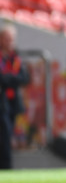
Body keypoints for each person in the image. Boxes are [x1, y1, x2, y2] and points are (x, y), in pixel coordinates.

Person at [0, 23, 30, 169]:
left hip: (12, 103)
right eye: (6, 39)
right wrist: (12, 78)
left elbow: (24, 78)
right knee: (4, 136)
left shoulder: (16, 58)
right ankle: (6, 167)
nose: (9, 42)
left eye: (11, 39)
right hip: (2, 104)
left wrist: (8, 78)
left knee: (8, 134)